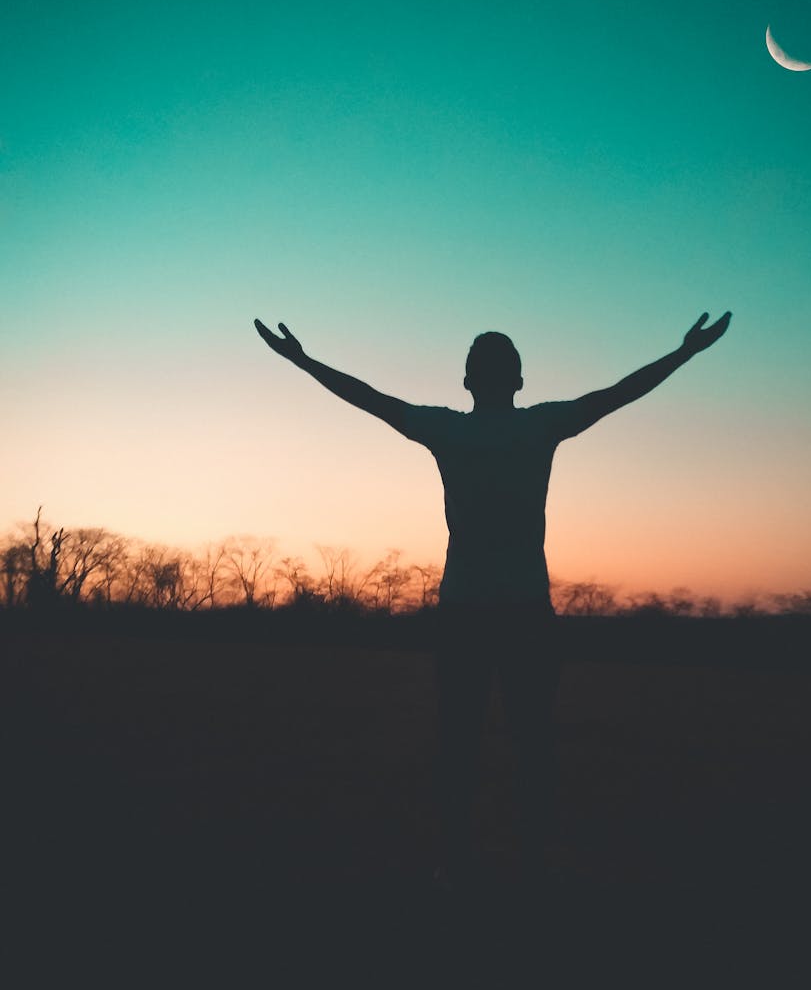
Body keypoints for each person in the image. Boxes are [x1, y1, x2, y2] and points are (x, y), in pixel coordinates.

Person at [255, 310, 732, 885]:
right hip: (524, 612)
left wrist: (303, 361)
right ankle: (529, 864)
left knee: (460, 743)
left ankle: (459, 862)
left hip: (466, 614)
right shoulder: (540, 425)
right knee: (533, 744)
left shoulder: (448, 429)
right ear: (520, 382)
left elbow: (371, 399)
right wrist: (684, 353)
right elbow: (617, 395)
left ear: (466, 382)